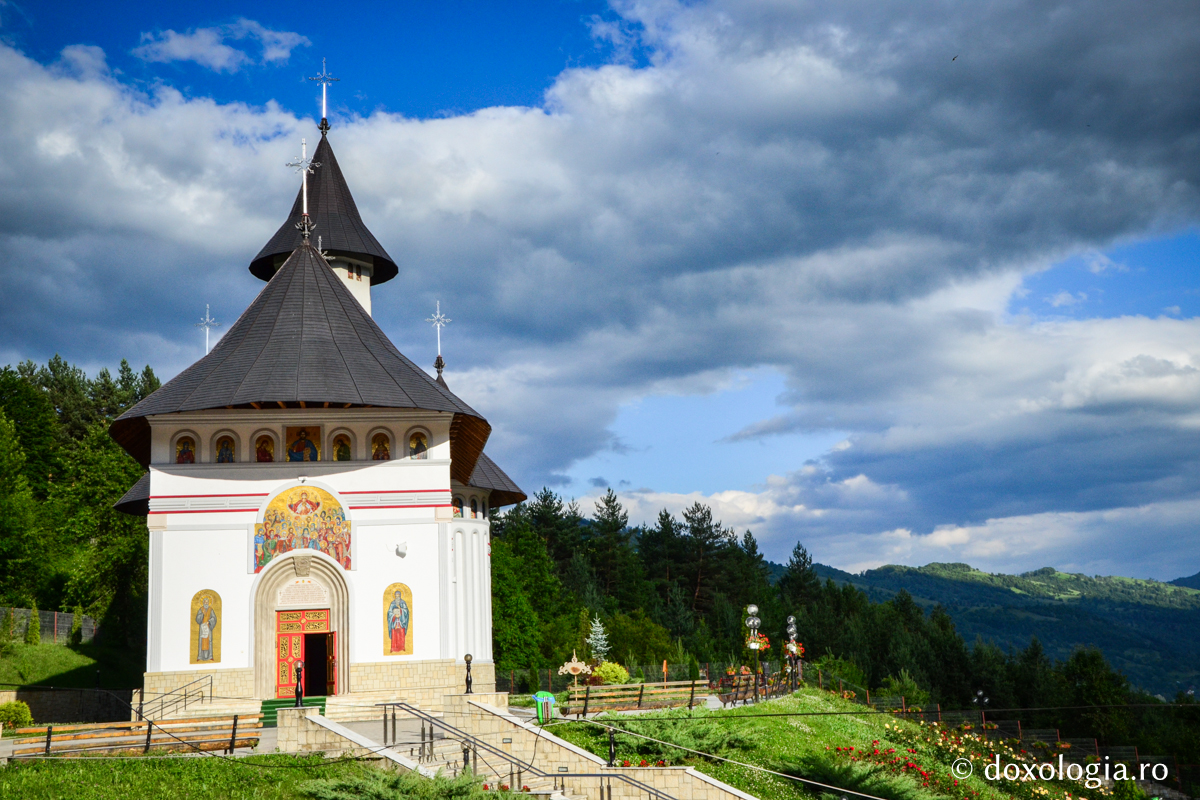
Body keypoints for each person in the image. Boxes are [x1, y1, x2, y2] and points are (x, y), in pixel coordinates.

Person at [196, 596, 217, 661]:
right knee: (202, 641)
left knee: (209, 641)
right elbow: (197, 618)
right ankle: (200, 656)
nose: (206, 603)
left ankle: (210, 656)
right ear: (203, 603)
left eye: (207, 602)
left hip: (208, 628)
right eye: (205, 602)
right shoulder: (201, 609)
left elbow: (214, 618)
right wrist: (202, 614)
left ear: (209, 603)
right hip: (202, 628)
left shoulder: (211, 609)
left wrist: (209, 621)